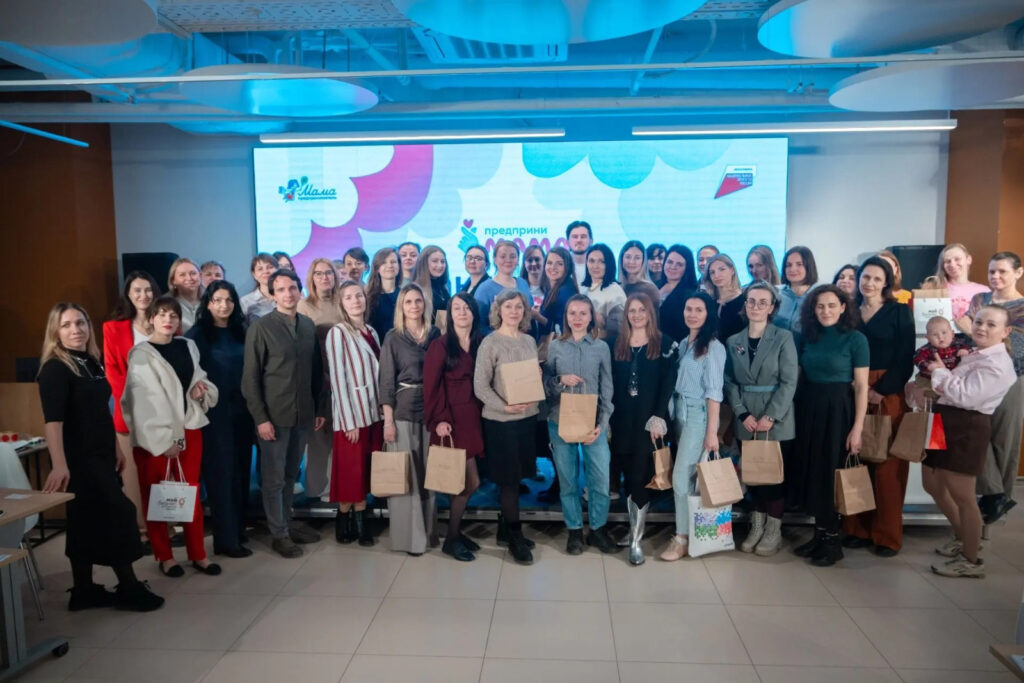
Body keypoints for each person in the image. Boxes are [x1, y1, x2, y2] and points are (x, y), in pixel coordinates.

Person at [37, 303, 164, 612]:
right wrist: (59, 464)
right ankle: (129, 587)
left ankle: (83, 590)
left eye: (80, 322)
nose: (76, 330)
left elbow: (101, 412)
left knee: (83, 520)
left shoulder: (91, 362)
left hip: (102, 454)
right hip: (79, 459)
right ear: (55, 331)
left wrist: (116, 448)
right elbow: (53, 422)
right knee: (119, 513)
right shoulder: (55, 368)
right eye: (66, 325)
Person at [122, 296, 221, 578]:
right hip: (156, 436)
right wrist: (164, 440)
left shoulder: (187, 345)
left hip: (189, 428)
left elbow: (198, 377)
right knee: (157, 496)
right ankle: (165, 556)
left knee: (189, 493)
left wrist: (202, 391)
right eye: (162, 314)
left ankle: (198, 554)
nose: (168, 320)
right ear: (152, 318)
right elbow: (142, 403)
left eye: (173, 315)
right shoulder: (141, 354)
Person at [923, 304, 1016, 578]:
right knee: (931, 483)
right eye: (978, 322)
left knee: (963, 495)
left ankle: (971, 558)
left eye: (991, 324)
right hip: (943, 421)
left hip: (967, 427)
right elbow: (951, 389)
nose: (982, 328)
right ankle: (962, 536)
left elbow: (965, 396)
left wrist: (939, 373)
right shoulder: (974, 352)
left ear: (1006, 331)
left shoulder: (998, 364)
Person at [242, 269, 326, 559]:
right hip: (273, 417)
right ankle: (278, 534)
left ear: (300, 290)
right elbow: (250, 379)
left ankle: (287, 524)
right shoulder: (261, 328)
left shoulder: (307, 325)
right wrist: (261, 419)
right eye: (281, 290)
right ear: (272, 295)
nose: (288, 294)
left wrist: (318, 407)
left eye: (292, 288)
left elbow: (316, 371)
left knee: (291, 473)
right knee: (274, 478)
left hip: (302, 414)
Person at [842, 257, 915, 557]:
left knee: (887, 468)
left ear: (886, 282)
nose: (869, 283)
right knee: (854, 460)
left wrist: (879, 390)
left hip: (887, 393)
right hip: (851, 389)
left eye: (876, 278)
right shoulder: (849, 310)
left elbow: (905, 357)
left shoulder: (899, 311)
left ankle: (887, 536)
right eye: (865, 277)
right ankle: (856, 529)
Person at [792, 285, 869, 567]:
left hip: (839, 411)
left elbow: (861, 387)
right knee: (812, 470)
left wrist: (857, 428)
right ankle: (819, 534)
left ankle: (833, 542)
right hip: (809, 407)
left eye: (831, 305)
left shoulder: (856, 339)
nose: (826, 311)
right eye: (820, 306)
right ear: (813, 310)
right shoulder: (807, 337)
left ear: (843, 307)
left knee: (830, 473)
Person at [724, 281, 798, 557]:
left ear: (772, 307)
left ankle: (773, 530)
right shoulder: (734, 341)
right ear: (744, 305)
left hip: (776, 418)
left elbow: (789, 381)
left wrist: (771, 415)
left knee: (773, 477)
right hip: (746, 418)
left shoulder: (783, 337)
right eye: (751, 301)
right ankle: (756, 527)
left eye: (762, 302)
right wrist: (741, 412)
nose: (756, 306)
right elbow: (729, 381)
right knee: (753, 476)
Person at [543, 295, 617, 555]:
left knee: (600, 480)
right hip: (560, 420)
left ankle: (598, 529)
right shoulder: (555, 346)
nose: (577, 318)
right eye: (572, 313)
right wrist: (560, 380)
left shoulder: (601, 347)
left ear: (591, 317)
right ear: (566, 316)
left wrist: (603, 423)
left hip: (592, 423)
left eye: (583, 313)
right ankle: (574, 530)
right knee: (568, 480)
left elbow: (607, 389)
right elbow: (545, 385)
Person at [186, 281, 253, 558]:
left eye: (228, 300)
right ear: (208, 303)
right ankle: (225, 540)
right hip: (215, 415)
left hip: (243, 411)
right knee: (221, 475)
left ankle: (238, 530)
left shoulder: (242, 330)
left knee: (241, 472)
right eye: (217, 300)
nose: (224, 305)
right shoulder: (197, 335)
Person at [610, 293, 678, 565]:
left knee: (641, 475)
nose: (637, 315)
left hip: (649, 424)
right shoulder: (616, 343)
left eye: (642, 310)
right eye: (632, 310)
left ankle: (636, 540)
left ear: (651, 313)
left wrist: (659, 417)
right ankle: (632, 528)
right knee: (627, 475)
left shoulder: (665, 344)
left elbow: (668, 383)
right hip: (621, 422)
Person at [474, 289, 541, 564]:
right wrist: (505, 407)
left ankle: (505, 529)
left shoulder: (529, 341)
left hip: (526, 420)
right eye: (509, 306)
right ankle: (515, 537)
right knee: (509, 482)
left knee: (519, 477)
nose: (514, 311)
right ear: (498, 310)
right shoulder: (490, 343)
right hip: (501, 422)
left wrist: (536, 377)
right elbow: (480, 386)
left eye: (519, 307)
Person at [661, 292, 726, 561]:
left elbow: (714, 392)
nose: (692, 314)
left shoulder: (713, 347)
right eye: (689, 309)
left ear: (708, 313)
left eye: (699, 310)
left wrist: (712, 432)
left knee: (680, 477)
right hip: (680, 413)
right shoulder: (684, 343)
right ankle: (689, 533)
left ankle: (682, 538)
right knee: (686, 476)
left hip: (698, 415)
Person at [424, 293, 485, 561]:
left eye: (467, 308)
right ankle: (451, 539)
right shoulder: (440, 346)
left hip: (475, 418)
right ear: (449, 314)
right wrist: (439, 419)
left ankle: (455, 533)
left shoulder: (481, 342)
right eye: (456, 308)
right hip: (450, 421)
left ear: (474, 312)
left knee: (468, 482)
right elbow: (431, 386)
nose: (462, 312)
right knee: (466, 482)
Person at [379, 283, 439, 555]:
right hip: (403, 411)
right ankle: (409, 540)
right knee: (407, 477)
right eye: (408, 302)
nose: (414, 306)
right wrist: (388, 421)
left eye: (418, 301)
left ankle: (428, 534)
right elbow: (386, 382)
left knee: (430, 476)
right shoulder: (393, 337)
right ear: (401, 307)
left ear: (425, 304)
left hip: (432, 411)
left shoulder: (435, 334)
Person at [967, 251, 1024, 524]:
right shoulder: (980, 300)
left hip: (1013, 376)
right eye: (992, 271)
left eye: (1002, 271)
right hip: (978, 373)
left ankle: (998, 501)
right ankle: (994, 494)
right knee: (975, 431)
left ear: (1018, 273)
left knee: (1005, 440)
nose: (996, 276)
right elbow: (970, 333)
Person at [325, 280, 383, 547]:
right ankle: (347, 520)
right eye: (348, 297)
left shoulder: (371, 331)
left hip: (373, 412)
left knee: (365, 470)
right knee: (351, 471)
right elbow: (338, 380)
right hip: (352, 416)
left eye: (359, 295)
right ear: (342, 303)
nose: (355, 301)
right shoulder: (338, 332)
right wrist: (349, 421)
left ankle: (357, 519)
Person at [103, 270, 160, 541]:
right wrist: (134, 401)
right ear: (128, 294)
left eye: (148, 290)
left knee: (159, 472)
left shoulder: (166, 321)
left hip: (163, 412)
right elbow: (113, 372)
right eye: (137, 290)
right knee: (133, 475)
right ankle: (141, 529)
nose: (143, 295)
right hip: (129, 411)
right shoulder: (112, 328)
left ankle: (164, 527)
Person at [297, 258, 344, 501]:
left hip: (344, 375)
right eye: (319, 273)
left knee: (341, 435)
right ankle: (318, 489)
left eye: (329, 273)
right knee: (317, 436)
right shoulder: (303, 306)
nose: (324, 277)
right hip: (316, 375)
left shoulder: (343, 303)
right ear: (311, 278)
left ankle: (339, 486)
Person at [474, 240, 533, 335]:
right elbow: (478, 324)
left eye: (512, 256)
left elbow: (529, 315)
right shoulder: (484, 289)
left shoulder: (523, 284)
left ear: (518, 260)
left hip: (524, 339)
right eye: (503, 256)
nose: (508, 260)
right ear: (495, 259)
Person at [931, 243, 990, 329]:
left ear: (968, 259)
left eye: (957, 259)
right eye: (947, 261)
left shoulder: (984, 291)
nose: (952, 264)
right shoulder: (934, 289)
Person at [582, 243, 626, 336]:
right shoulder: (586, 289)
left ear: (609, 264)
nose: (595, 266)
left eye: (601, 262)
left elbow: (618, 331)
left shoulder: (614, 291)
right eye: (591, 261)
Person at [658, 244, 698, 343]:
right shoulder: (654, 285)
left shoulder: (691, 295)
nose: (673, 267)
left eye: (679, 264)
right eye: (669, 262)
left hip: (675, 345)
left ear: (687, 268)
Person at [535, 246, 578, 337]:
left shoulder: (565, 292)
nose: (553, 267)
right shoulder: (553, 286)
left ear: (568, 267)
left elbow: (560, 328)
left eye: (559, 264)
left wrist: (536, 316)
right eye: (549, 263)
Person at [776, 246, 818, 336]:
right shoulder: (775, 292)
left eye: (799, 264)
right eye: (788, 265)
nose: (792, 269)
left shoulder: (819, 296)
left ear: (809, 267)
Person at [706, 254, 746, 342]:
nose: (717, 275)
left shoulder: (744, 300)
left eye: (722, 269)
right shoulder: (709, 303)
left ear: (732, 270)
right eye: (712, 272)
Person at [366, 247, 400, 340]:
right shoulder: (368, 297)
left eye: (393, 262)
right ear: (377, 268)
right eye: (384, 263)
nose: (390, 266)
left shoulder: (405, 295)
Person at [412, 245, 451, 325]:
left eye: (442, 261)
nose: (440, 265)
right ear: (424, 263)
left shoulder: (443, 287)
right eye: (435, 261)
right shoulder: (416, 290)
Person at [240, 253, 279, 323]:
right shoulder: (245, 302)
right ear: (254, 275)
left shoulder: (287, 297)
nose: (266, 271)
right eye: (260, 269)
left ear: (278, 270)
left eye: (270, 267)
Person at [619, 240, 661, 306]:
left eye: (637, 258)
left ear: (643, 261)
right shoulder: (617, 287)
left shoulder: (650, 290)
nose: (632, 262)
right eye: (628, 257)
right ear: (622, 259)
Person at [168, 257, 202, 333]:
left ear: (200, 276)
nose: (189, 278)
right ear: (173, 281)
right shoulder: (166, 304)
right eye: (182, 275)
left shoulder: (210, 302)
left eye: (193, 273)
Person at [566, 220, 593, 284]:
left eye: (583, 237)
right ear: (567, 242)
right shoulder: (562, 267)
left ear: (591, 241)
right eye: (575, 237)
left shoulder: (599, 268)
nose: (579, 240)